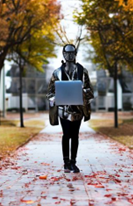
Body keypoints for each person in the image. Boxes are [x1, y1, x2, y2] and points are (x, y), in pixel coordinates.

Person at [46, 44, 94, 173]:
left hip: (78, 109)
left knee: (75, 135)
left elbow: (90, 91)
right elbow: (50, 92)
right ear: (63, 54)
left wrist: (83, 91)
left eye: (72, 52)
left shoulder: (82, 71)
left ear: (75, 53)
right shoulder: (57, 72)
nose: (69, 55)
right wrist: (54, 99)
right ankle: (66, 162)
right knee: (66, 135)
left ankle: (73, 162)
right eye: (67, 53)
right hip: (63, 110)